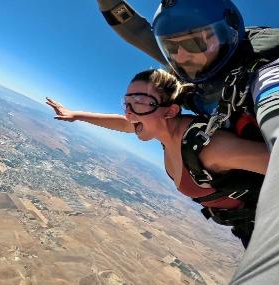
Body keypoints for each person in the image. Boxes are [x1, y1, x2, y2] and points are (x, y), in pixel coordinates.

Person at [96, 1, 279, 283]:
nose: (180, 55)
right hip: (248, 218)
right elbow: (136, 31)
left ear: (227, 32)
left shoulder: (266, 73)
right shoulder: (191, 74)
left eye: (194, 42)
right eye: (171, 47)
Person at [46, 68, 269, 248]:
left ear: (170, 111)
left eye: (141, 103)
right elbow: (123, 123)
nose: (129, 112)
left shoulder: (208, 147)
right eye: (127, 103)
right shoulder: (166, 134)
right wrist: (76, 115)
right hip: (247, 228)